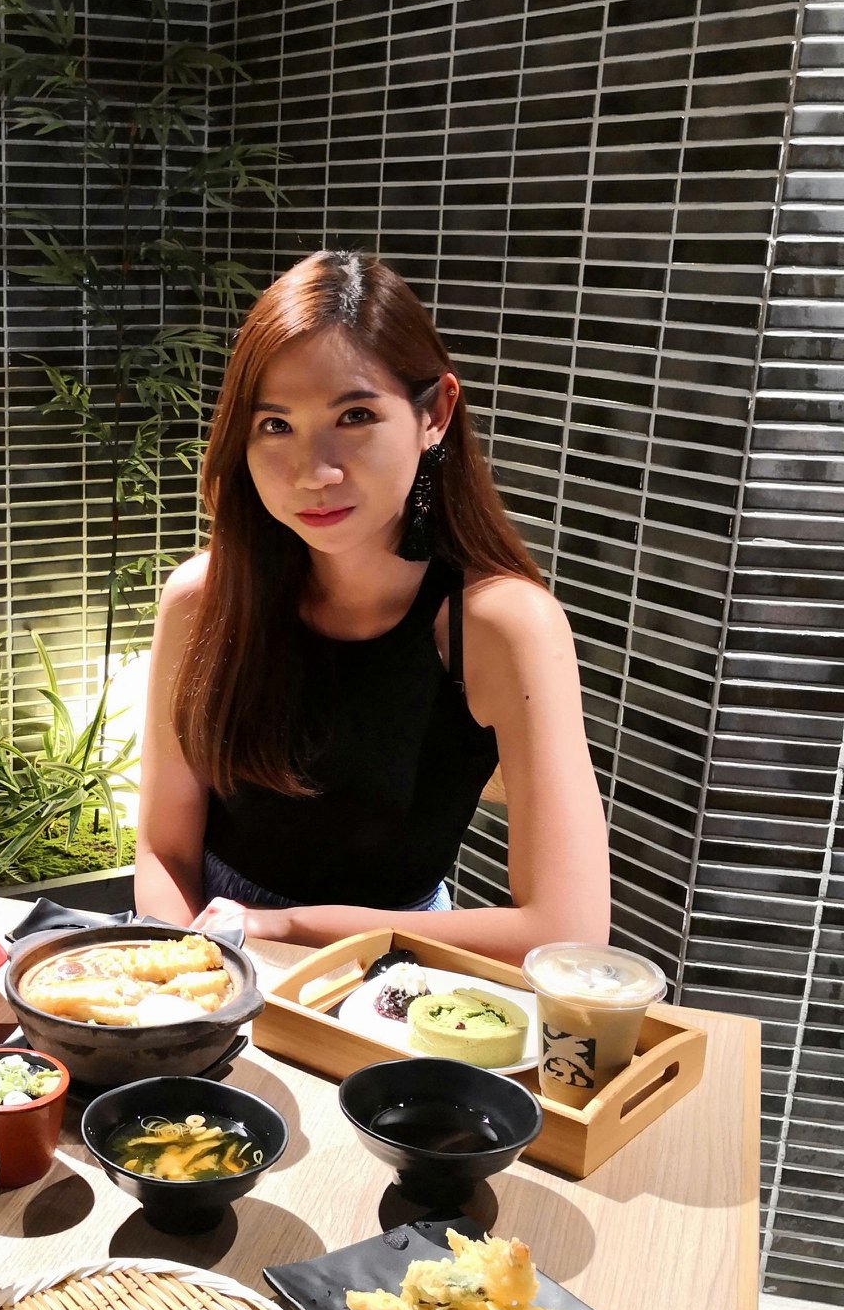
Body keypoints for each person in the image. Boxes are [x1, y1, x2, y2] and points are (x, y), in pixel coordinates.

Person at [134, 250, 610, 958]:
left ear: (434, 413)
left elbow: (567, 930)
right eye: (275, 425)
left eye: (355, 415)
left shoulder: (501, 625)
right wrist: (187, 971)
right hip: (205, 944)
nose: (314, 472)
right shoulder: (203, 599)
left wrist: (287, 927)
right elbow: (164, 849)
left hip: (399, 962)